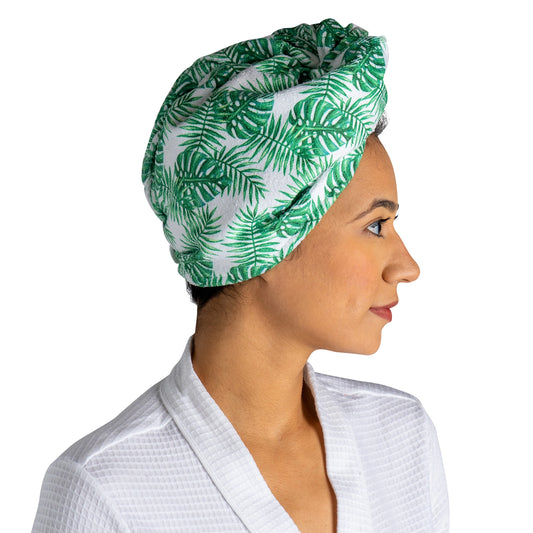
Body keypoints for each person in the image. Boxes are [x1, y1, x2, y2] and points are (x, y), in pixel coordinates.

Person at [32, 19, 449, 532]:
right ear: (265, 241)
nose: (407, 266)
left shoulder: (402, 439)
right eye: (375, 225)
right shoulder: (104, 490)